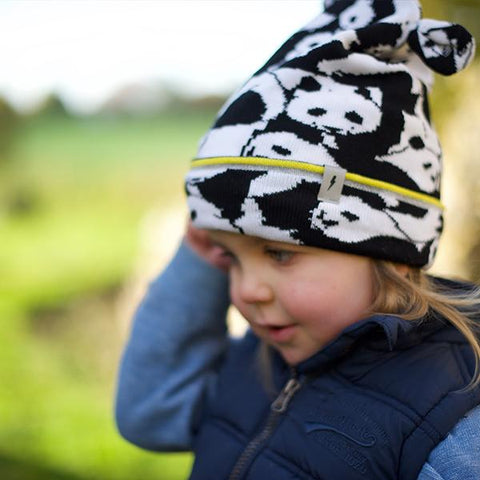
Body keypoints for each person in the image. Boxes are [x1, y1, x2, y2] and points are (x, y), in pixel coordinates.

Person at [115, 1, 480, 478]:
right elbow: (150, 414)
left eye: (280, 254)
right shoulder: (258, 359)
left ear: (389, 249)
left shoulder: (452, 413)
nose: (247, 291)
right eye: (231, 258)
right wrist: (199, 262)